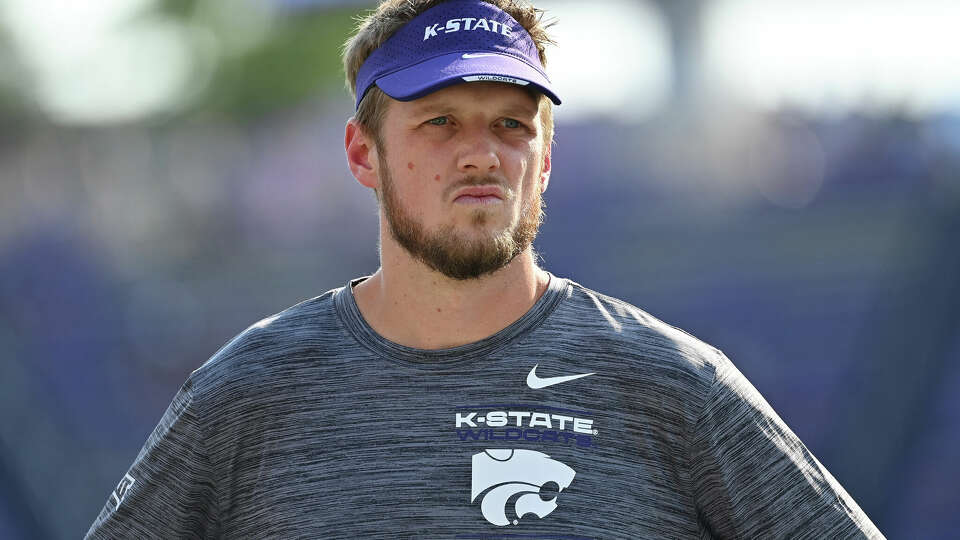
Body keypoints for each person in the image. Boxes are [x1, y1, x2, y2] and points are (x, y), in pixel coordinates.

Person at [86, 0, 885, 538]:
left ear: (544, 160)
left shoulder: (675, 386)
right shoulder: (246, 393)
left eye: (511, 124)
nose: (482, 153)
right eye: (440, 122)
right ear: (365, 154)